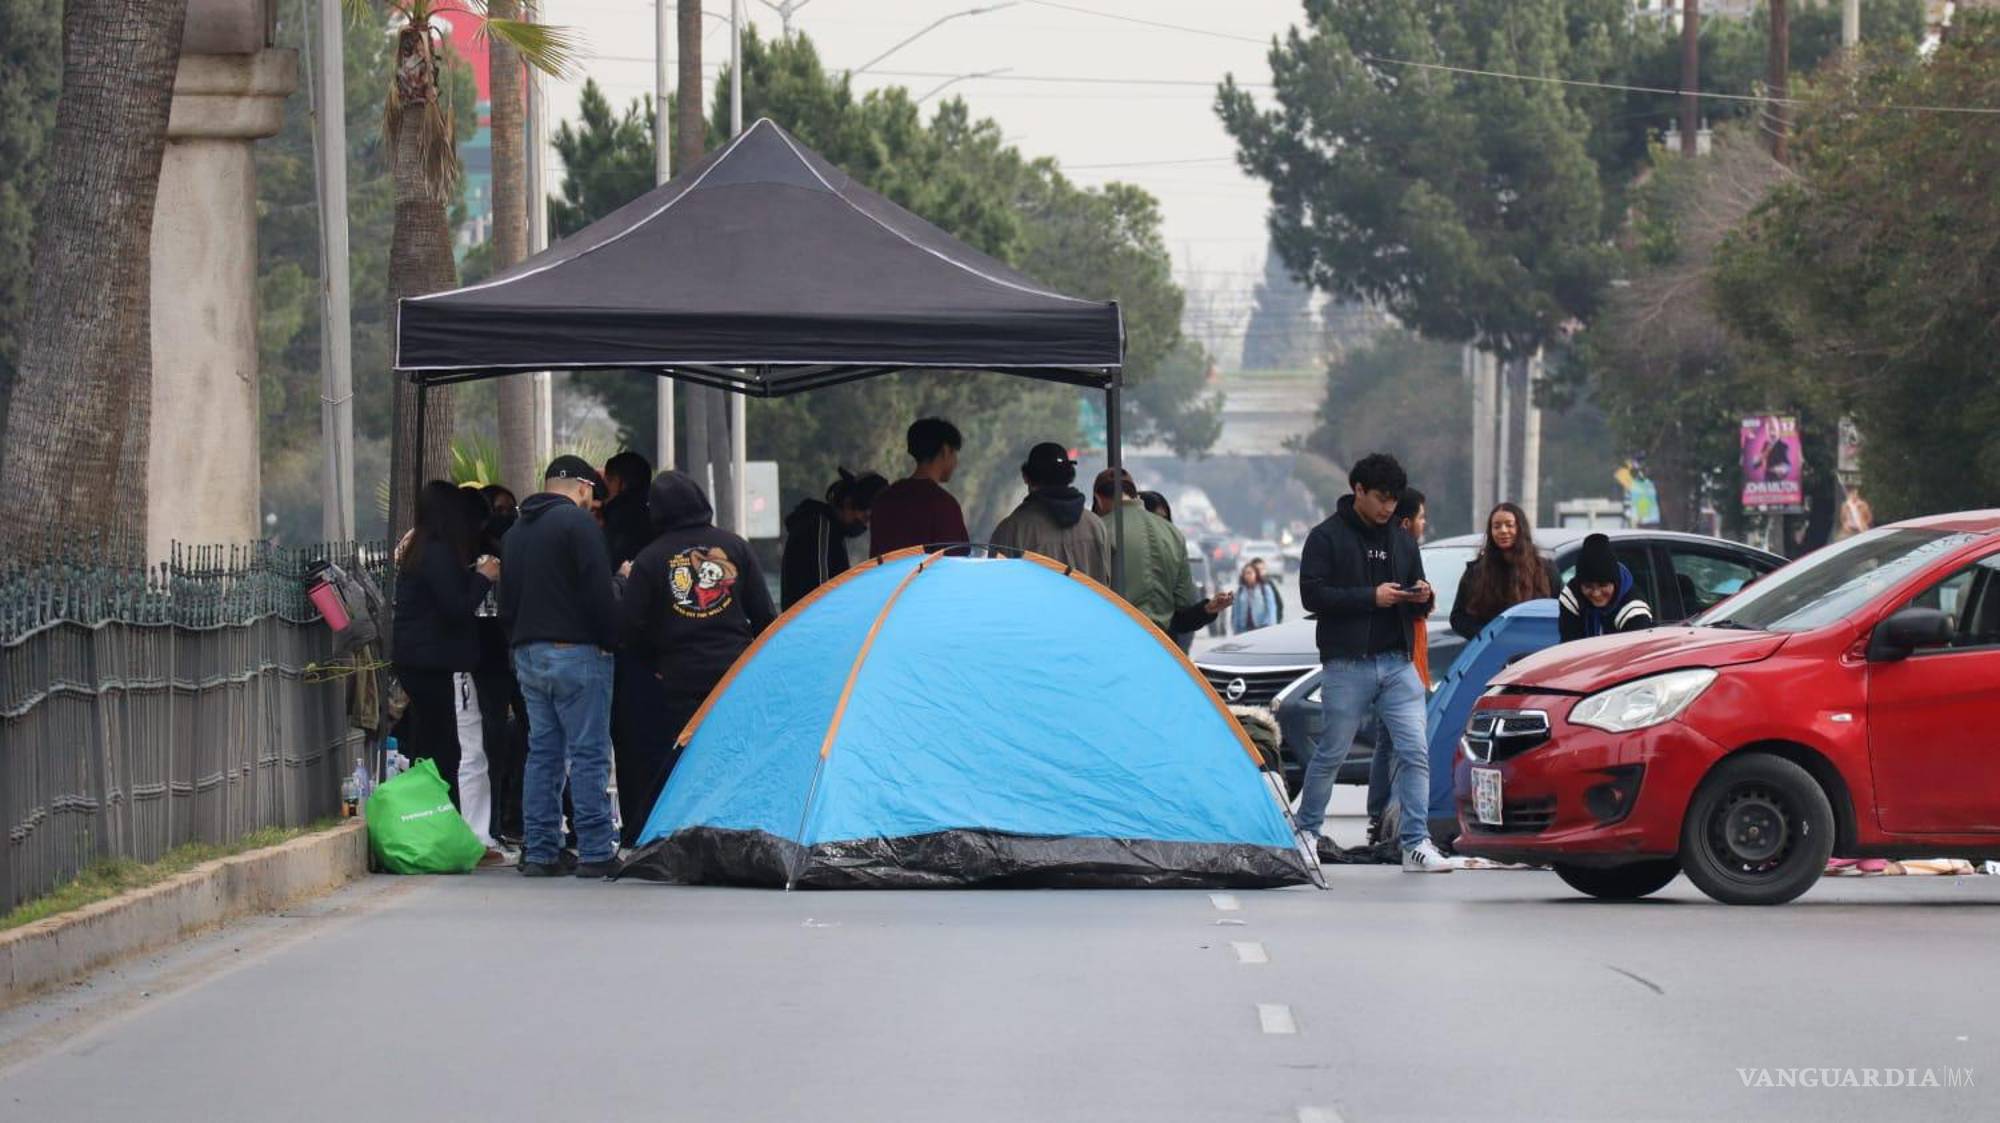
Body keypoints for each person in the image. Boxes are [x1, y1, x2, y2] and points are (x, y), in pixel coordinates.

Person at [1293, 453, 1456, 873]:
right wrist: (1370, 597)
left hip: (1399, 662)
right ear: (1358, 490)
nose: (1388, 508)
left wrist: (1422, 596)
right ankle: (1307, 832)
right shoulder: (1325, 537)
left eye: (1394, 500)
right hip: (1347, 664)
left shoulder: (1402, 540)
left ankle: (1415, 842)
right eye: (1381, 498)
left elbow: (1414, 591)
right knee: (1331, 752)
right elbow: (1313, 596)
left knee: (1415, 752)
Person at [619, 471, 779, 846]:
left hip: (680, 678)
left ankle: (689, 839)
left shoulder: (650, 558)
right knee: (735, 757)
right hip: (734, 677)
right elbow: (767, 617)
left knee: (686, 764)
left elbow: (628, 628)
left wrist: (654, 664)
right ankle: (738, 834)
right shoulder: (736, 548)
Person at [501, 456, 621, 879]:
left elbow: (507, 601)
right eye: (593, 497)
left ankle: (540, 850)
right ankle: (594, 850)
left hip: (528, 653)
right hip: (577, 651)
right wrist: (612, 639)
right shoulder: (578, 526)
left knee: (544, 754)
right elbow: (597, 591)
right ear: (584, 488)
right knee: (588, 753)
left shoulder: (516, 532)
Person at [391, 480, 498, 813]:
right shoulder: (437, 552)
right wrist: (484, 577)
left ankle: (432, 816)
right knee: (445, 748)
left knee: (430, 741)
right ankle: (444, 816)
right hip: (431, 662)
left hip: (419, 659)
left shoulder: (423, 549)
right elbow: (455, 606)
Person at [1365, 488, 1430, 849]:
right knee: (1402, 747)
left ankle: (1389, 822)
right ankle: (1390, 822)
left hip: (1408, 662)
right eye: (1421, 518)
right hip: (1400, 663)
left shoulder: (1405, 550)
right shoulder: (1399, 552)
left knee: (1392, 745)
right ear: (1405, 523)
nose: (1424, 524)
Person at [1097, 468, 1232, 641]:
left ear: (1098, 499)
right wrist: (1206, 609)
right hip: (1163, 648)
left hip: (1117, 642)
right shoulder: (1173, 534)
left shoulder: (1101, 530)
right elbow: (1183, 607)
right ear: (1133, 493)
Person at [989, 443, 1112, 582]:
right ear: (1070, 475)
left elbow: (999, 589)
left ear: (1026, 477)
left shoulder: (1011, 531)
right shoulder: (1096, 525)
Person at [781, 468, 888, 609]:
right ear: (848, 503)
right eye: (865, 517)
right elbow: (822, 591)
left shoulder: (832, 531)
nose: (864, 525)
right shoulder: (821, 529)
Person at [1451, 502, 1554, 640]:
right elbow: (1458, 617)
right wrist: (1485, 634)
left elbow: (1559, 610)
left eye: (1509, 525)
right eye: (1496, 526)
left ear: (1520, 528)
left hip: (1534, 650)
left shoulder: (1544, 569)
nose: (1503, 531)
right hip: (1491, 650)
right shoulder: (1476, 571)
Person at [869, 418, 969, 555]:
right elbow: (955, 563)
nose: (956, 462)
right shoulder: (944, 504)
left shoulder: (884, 499)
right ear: (945, 451)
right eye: (954, 453)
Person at [1558, 533, 1657, 642]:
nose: (1596, 593)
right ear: (1579, 583)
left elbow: (1634, 655)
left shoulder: (1634, 610)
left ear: (1615, 583)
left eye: (1603, 585)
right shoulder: (1571, 597)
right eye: (1588, 586)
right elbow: (1569, 646)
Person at [600, 451, 654, 569]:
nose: (604, 487)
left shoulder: (616, 521)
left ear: (622, 483)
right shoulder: (656, 521)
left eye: (609, 480)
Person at [1231, 560, 1280, 634]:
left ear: (1256, 574)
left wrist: (1269, 627)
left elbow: (1271, 609)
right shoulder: (1240, 591)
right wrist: (1236, 630)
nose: (1248, 576)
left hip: (1262, 629)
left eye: (1250, 573)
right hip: (1244, 630)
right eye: (1245, 573)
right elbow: (1236, 613)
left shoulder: (1265, 589)